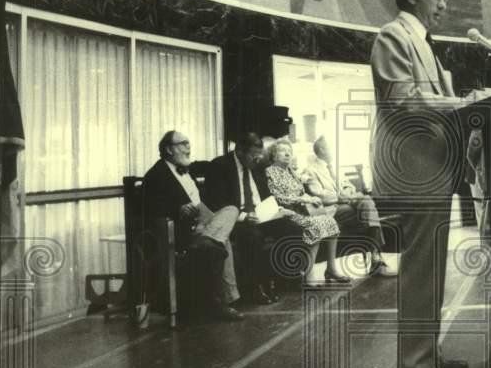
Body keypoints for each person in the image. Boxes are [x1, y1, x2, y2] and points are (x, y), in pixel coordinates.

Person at [370, 0, 470, 368]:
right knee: (419, 271)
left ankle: (427, 356)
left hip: (429, 168)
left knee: (429, 271)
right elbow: (403, 100)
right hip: (411, 170)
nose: (445, 4)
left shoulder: (424, 44)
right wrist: (467, 103)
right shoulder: (392, 36)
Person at [141, 131, 242, 322]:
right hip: (183, 230)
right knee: (221, 240)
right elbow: (149, 207)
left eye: (189, 143)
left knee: (231, 209)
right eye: (183, 144)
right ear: (169, 149)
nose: (189, 147)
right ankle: (226, 301)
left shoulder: (186, 170)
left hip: (202, 222)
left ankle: (209, 238)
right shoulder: (156, 175)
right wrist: (177, 209)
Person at [203, 132, 305, 304]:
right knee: (253, 236)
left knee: (293, 226)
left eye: (259, 155)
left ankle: (287, 278)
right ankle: (256, 287)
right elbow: (217, 202)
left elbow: (266, 196)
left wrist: (277, 210)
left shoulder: (258, 165)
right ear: (240, 151)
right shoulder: (220, 166)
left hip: (261, 215)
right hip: (237, 219)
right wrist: (244, 216)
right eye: (253, 155)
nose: (257, 159)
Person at [302, 134, 395, 276]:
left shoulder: (335, 167)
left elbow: (348, 185)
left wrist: (348, 193)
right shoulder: (310, 170)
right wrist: (342, 197)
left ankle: (375, 258)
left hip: (347, 205)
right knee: (367, 210)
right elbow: (320, 195)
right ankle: (376, 257)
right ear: (321, 149)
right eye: (331, 146)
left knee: (367, 202)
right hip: (329, 210)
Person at [266, 139, 348, 285]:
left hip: (302, 210)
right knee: (315, 225)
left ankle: (331, 268)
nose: (287, 154)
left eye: (289, 151)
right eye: (282, 151)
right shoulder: (271, 171)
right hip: (285, 212)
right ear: (273, 155)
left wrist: (312, 198)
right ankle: (309, 274)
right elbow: (278, 197)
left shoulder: (290, 171)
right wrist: (304, 200)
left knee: (330, 222)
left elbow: (302, 192)